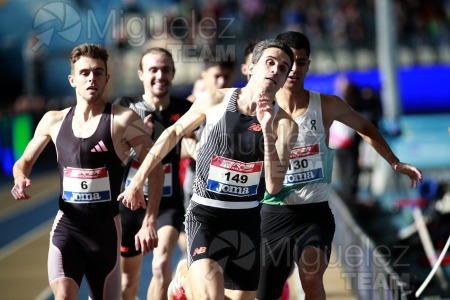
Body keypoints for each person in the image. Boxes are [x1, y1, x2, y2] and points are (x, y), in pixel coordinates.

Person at [118, 39, 298, 300]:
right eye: (269, 63)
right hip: (206, 215)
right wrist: (137, 181)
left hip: (247, 221)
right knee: (211, 296)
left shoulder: (285, 125)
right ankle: (187, 276)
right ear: (251, 67)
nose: (275, 70)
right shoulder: (215, 100)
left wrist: (268, 131)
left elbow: (273, 186)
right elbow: (173, 134)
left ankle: (185, 280)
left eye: (283, 68)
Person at [256, 31, 423, 300]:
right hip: (273, 213)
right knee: (267, 292)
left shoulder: (327, 105)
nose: (295, 69)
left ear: (309, 64)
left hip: (314, 214)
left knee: (310, 277)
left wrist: (395, 162)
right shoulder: (262, 108)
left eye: (302, 62)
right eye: (290, 62)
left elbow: (365, 127)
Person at [10, 43, 164, 300]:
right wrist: (19, 177)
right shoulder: (53, 120)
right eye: (84, 73)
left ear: (107, 78)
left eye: (97, 72)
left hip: (106, 233)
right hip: (67, 228)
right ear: (72, 79)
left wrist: (148, 216)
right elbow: (23, 161)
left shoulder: (122, 121)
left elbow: (156, 165)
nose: (91, 77)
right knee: (64, 295)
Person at [114, 47, 192, 300]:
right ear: (141, 74)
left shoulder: (186, 109)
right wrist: (137, 141)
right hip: (130, 206)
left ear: (173, 73)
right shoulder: (125, 108)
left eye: (166, 69)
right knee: (128, 283)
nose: (160, 75)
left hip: (167, 204)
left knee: (160, 267)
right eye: (153, 70)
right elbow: (114, 157)